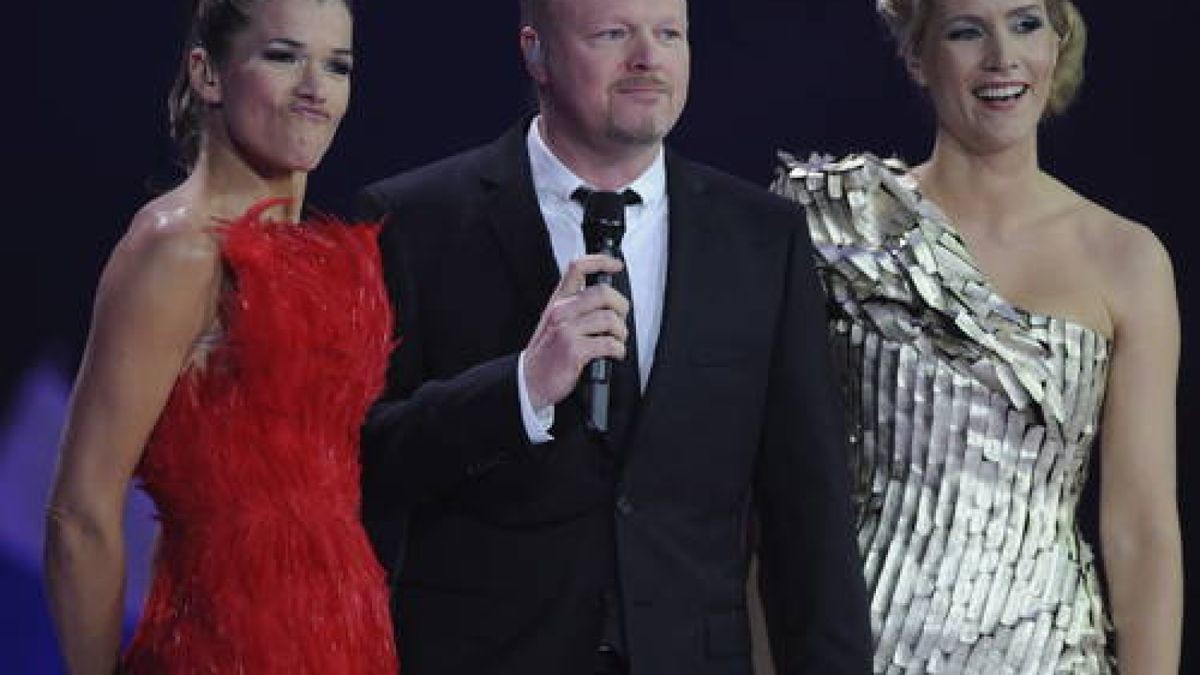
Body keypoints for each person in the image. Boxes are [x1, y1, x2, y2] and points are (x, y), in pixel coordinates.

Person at [356, 0, 872, 673]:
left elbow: (810, 515)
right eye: (612, 33)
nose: (648, 58)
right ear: (536, 53)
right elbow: (370, 464)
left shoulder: (761, 238)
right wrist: (520, 389)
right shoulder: (415, 222)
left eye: (668, 34)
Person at [771, 0, 1182, 672]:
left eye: (1025, 24)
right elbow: (774, 490)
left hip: (1051, 656)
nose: (1002, 58)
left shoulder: (1128, 259)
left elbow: (1141, 529)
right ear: (916, 55)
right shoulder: (835, 226)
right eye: (967, 31)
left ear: (1059, 39)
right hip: (862, 648)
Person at [43, 0, 398, 672]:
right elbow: (80, 514)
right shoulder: (177, 247)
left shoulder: (315, 255)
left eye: (337, 64)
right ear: (208, 74)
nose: (315, 88)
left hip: (349, 647)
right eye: (283, 55)